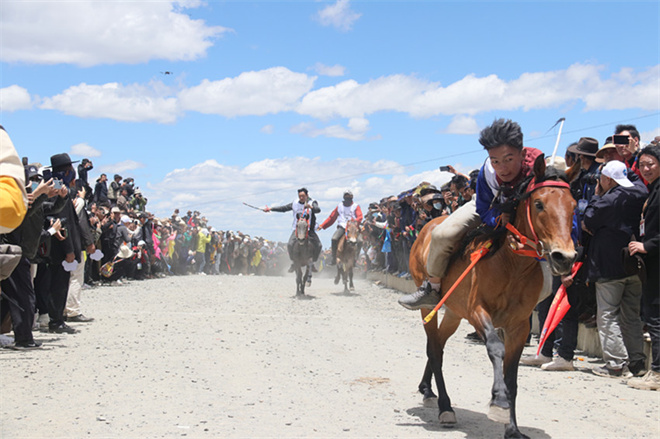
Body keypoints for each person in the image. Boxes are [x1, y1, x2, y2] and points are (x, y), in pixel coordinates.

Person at [399, 118, 544, 310]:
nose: (502, 168)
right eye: (496, 161)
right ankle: (432, 287)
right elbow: (484, 209)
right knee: (441, 234)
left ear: (522, 154)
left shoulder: (538, 165)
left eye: (509, 160)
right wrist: (499, 219)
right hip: (491, 206)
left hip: (525, 208)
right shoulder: (488, 173)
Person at [583, 160, 648, 378]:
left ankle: (616, 364)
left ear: (608, 180)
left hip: (608, 266)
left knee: (608, 314)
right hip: (633, 263)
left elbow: (588, 220)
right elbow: (637, 180)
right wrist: (626, 171)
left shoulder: (606, 201)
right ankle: (637, 362)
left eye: (602, 177)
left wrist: (596, 194)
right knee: (631, 315)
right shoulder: (639, 193)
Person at [627, 145, 660, 390]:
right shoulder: (652, 191)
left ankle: (657, 373)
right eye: (642, 165)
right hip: (652, 263)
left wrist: (647, 245)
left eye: (651, 164)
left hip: (656, 261)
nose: (646, 169)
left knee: (656, 318)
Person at [265, 188, 322, 272]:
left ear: (307, 195)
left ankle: (313, 263)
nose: (301, 198)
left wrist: (311, 207)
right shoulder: (295, 203)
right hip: (297, 229)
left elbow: (318, 210)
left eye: (303, 196)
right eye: (300, 196)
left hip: (309, 229)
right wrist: (271, 209)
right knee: (290, 244)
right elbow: (284, 208)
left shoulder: (312, 202)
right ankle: (294, 262)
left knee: (319, 245)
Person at [318, 190, 363, 266]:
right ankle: (334, 258)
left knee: (360, 241)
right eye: (346, 197)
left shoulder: (356, 206)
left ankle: (355, 259)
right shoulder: (339, 206)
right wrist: (322, 225)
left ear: (352, 198)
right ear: (344, 197)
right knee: (334, 239)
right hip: (342, 227)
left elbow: (360, 216)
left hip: (353, 228)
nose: (348, 199)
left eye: (349, 197)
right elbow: (332, 217)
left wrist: (355, 221)